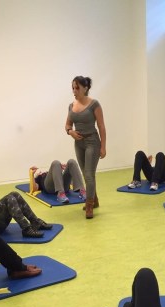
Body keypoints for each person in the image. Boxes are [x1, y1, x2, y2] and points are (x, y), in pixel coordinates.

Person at [65, 76, 107, 219]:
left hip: (92, 142)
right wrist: (71, 132)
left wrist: (103, 146)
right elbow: (67, 125)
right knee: (85, 173)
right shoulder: (71, 106)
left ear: (85, 88)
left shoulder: (94, 104)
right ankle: (94, 199)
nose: (74, 91)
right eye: (73, 88)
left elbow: (101, 126)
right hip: (79, 143)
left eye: (77, 88)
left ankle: (89, 205)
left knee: (89, 174)